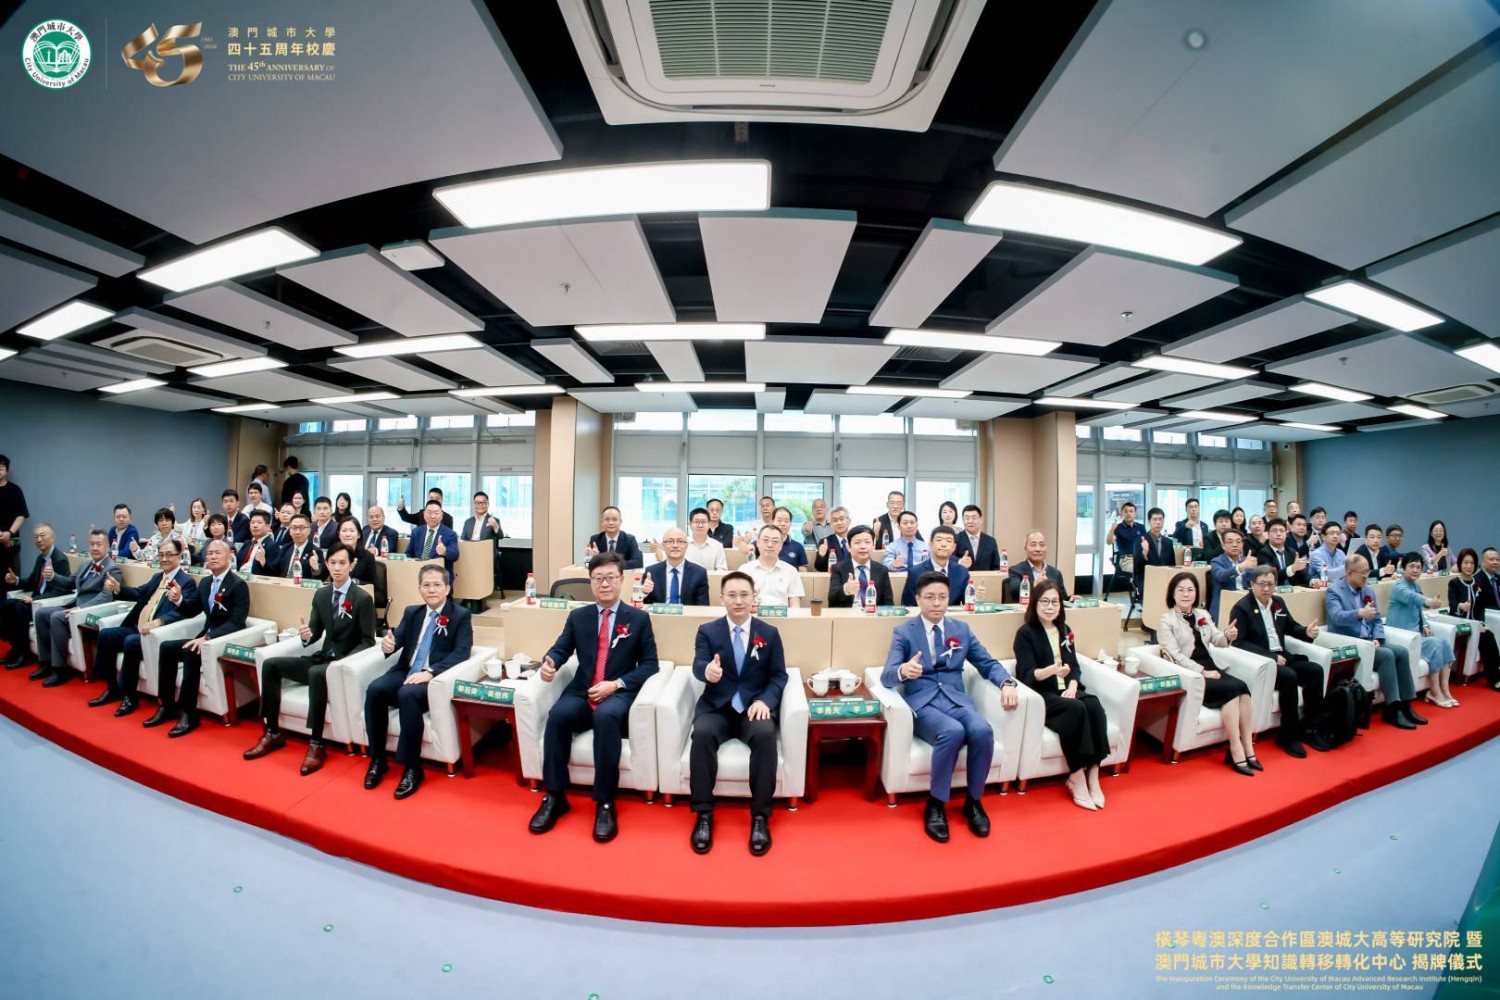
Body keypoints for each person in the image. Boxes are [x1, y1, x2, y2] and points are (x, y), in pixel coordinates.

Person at [529, 552, 658, 841]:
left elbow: (650, 664)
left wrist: (617, 684)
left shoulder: (638, 618)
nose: (605, 584)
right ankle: (555, 796)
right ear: (590, 582)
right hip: (582, 690)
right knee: (558, 715)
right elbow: (562, 648)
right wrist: (550, 662)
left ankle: (605, 802)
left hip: (617, 693)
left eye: (611, 577)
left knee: (605, 717)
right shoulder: (579, 617)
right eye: (598, 578)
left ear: (622, 580)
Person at [884, 571, 1019, 841]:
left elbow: (987, 663)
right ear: (918, 599)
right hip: (923, 704)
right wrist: (903, 671)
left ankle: (974, 801)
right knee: (952, 731)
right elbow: (887, 676)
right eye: (930, 597)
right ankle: (936, 804)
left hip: (956, 700)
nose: (937, 603)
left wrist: (1007, 683)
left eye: (942, 597)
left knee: (982, 730)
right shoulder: (904, 632)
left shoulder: (961, 630)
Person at [246, 543, 377, 775]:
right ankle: (272, 731)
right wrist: (307, 636)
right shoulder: (322, 594)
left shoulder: (362, 598)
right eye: (333, 563)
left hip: (342, 663)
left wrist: (344, 663)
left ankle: (316, 743)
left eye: (342, 563)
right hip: (321, 658)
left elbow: (368, 640)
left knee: (317, 673)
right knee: (271, 665)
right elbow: (315, 631)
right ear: (327, 564)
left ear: (352, 565)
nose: (337, 568)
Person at [687, 571, 788, 856]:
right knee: (702, 735)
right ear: (722, 598)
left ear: (754, 597)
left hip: (752, 709)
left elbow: (779, 676)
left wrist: (766, 701)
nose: (739, 601)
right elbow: (699, 665)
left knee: (766, 736)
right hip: (717, 707)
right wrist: (707, 671)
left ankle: (760, 817)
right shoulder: (708, 631)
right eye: (732, 595)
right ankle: (703, 814)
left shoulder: (769, 633)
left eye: (744, 594)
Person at [363, 564, 473, 799]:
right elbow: (398, 640)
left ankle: (412, 768)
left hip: (432, 677)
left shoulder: (460, 615)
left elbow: (462, 651)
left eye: (437, 585)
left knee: (407, 694)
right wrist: (388, 645)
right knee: (375, 690)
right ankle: (378, 759)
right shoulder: (412, 612)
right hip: (406, 671)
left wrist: (431, 672)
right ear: (419, 589)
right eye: (426, 585)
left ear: (447, 588)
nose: (431, 590)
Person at [1013, 579, 1109, 811]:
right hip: (1042, 693)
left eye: (1055, 602)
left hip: (1066, 688)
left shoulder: (1065, 630)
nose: (1050, 607)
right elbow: (1026, 675)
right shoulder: (1025, 634)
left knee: (1094, 705)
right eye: (1044, 602)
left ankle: (1093, 773)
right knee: (1076, 709)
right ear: (1035, 604)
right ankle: (1076, 775)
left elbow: (1074, 666)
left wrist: (1073, 685)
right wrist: (1051, 670)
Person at [145, 539, 249, 738]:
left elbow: (237, 622)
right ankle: (167, 705)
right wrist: (179, 600)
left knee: (190, 651)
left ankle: (189, 713)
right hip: (206, 636)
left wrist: (208, 637)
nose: (213, 557)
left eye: (217, 553)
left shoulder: (238, 585)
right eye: (209, 553)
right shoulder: (206, 582)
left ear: (229, 557)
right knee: (167, 648)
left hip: (224, 638)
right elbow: (193, 610)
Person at [1157, 571, 1257, 775]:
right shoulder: (1166, 620)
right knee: (1231, 690)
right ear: (1172, 594)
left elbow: (1217, 640)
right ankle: (1235, 748)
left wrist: (1228, 635)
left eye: (1190, 590)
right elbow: (1175, 655)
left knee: (1243, 688)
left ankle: (1248, 747)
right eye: (1181, 590)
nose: (1186, 594)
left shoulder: (1203, 615)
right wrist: (1203, 672)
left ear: (1196, 593)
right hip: (1192, 672)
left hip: (1211, 666)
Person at [88, 539, 200, 716]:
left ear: (179, 557)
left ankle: (130, 697)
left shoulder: (186, 582)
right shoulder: (158, 577)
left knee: (131, 642)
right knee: (106, 635)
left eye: (169, 555)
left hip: (155, 632)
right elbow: (139, 592)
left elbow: (187, 611)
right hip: (138, 626)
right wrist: (118, 588)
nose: (164, 559)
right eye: (161, 555)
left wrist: (160, 621)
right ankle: (112, 687)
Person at [1231, 566, 1329, 758]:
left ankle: (1311, 728)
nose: (1266, 589)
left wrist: (1306, 632)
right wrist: (1272, 657)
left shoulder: (1278, 603)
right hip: (1262, 662)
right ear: (1252, 584)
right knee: (1289, 677)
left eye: (1270, 584)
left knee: (1315, 671)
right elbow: (1239, 643)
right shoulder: (1242, 608)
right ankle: (1288, 736)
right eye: (1262, 584)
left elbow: (1291, 627)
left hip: (1283, 657)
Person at [1325, 554, 1423, 730]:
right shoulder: (1334, 591)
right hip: (1352, 643)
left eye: (1367, 571)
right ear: (1349, 573)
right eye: (1362, 572)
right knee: (1387, 655)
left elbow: (1377, 620)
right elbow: (1336, 617)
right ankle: (1392, 708)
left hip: (1371, 640)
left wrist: (1378, 638)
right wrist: (1359, 613)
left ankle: (1406, 704)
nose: (1366, 576)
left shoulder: (1368, 591)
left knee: (1401, 652)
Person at [33, 529, 122, 687]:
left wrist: (80, 608)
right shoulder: (85, 564)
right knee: (41, 613)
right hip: (74, 607)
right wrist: (53, 576)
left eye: (99, 544)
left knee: (57, 617)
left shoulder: (112, 569)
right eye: (92, 544)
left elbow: (106, 596)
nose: (95, 548)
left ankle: (60, 669)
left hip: (89, 611)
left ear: (107, 546)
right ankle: (46, 663)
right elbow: (69, 582)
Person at [1388, 553, 1458, 709]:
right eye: (1411, 566)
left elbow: (1418, 609)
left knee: (1444, 643)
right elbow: (1413, 598)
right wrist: (1429, 601)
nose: (1415, 570)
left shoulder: (1416, 586)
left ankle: (1445, 690)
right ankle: (1434, 691)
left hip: (1416, 636)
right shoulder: (1398, 587)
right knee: (1436, 644)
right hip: (1402, 638)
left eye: (1418, 567)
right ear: (1403, 568)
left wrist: (1425, 624)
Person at [1, 524, 73, 669]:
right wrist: (16, 580)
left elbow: (62, 590)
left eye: (42, 536)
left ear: (52, 537)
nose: (39, 540)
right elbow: (31, 581)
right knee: (6, 604)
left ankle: (24, 654)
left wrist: (35, 599)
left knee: (19, 609)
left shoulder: (60, 559)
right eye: (36, 537)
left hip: (45, 604)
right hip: (34, 600)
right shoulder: (41, 558)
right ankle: (15, 648)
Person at [1457, 547, 1500, 688]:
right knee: (1488, 637)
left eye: (1497, 559)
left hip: (1489, 619)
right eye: (1491, 559)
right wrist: (1479, 623)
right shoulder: (1476, 581)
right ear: (1483, 562)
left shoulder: (1497, 579)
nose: (1495, 562)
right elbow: (1476, 607)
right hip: (1475, 621)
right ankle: (1495, 680)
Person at [901, 526, 973, 607]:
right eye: (939, 540)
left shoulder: (962, 572)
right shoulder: (915, 572)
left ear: (954, 547)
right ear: (930, 544)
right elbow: (908, 605)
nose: (943, 544)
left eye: (948, 541)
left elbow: (968, 603)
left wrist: (977, 598)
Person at [640, 528, 710, 606]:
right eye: (670, 541)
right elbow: (640, 604)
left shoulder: (699, 573)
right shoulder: (651, 572)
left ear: (686, 545)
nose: (675, 545)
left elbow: (703, 606)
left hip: (687, 613)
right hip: (659, 613)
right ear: (663, 545)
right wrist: (644, 592)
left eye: (680, 541)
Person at [828, 525, 893, 608]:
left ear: (873, 546)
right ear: (849, 547)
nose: (863, 547)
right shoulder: (838, 568)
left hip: (873, 615)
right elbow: (831, 600)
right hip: (847, 614)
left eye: (867, 542)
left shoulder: (881, 570)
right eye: (857, 542)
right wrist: (846, 589)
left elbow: (888, 602)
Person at [743, 525, 804, 608]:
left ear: (781, 546)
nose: (770, 545)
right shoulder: (745, 570)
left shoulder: (791, 571)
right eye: (765, 540)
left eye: (775, 541)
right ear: (757, 543)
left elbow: (795, 606)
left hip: (783, 616)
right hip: (753, 615)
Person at [1005, 530, 1069, 603]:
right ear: (1025, 548)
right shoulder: (1016, 570)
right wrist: (1034, 585)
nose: (1038, 549)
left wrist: (1071, 599)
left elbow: (1063, 598)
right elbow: (1014, 591)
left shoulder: (1056, 573)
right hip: (1026, 609)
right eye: (1033, 545)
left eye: (1042, 545)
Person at [1208, 529, 1257, 619]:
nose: (1235, 545)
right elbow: (1221, 576)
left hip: (1245, 602)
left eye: (1238, 542)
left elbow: (1252, 583)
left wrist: (1255, 570)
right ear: (1223, 546)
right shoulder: (1216, 561)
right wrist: (1240, 567)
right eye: (1230, 542)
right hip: (1225, 603)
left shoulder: (1246, 560)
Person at [0, 455, 29, 602]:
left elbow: (22, 515)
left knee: (13, 579)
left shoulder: (15, 490)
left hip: (12, 543)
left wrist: (9, 534)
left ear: (6, 470)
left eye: (1, 467)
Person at [409, 501, 460, 581]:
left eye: (436, 513)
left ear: (441, 515)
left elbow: (455, 555)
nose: (432, 516)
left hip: (440, 578)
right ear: (424, 514)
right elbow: (408, 554)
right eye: (429, 512)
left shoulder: (450, 533)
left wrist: (445, 551)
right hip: (419, 575)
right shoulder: (416, 532)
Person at [325, 518, 377, 586]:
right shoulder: (333, 554)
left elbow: (374, 586)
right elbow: (322, 579)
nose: (348, 534)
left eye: (352, 531)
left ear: (358, 534)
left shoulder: (368, 557)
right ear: (339, 534)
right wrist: (316, 568)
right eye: (344, 531)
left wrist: (356, 582)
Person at [1260, 518, 1310, 587]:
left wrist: (1312, 581)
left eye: (1281, 531)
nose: (1278, 534)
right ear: (1268, 534)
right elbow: (1271, 576)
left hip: (1293, 591)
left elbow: (1303, 574)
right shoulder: (1263, 553)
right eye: (1275, 531)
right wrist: (1292, 569)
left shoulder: (1292, 552)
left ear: (1286, 534)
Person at [955, 504, 1000, 571]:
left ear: (981, 520)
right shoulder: (956, 539)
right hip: (962, 576)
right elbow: (948, 559)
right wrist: (959, 561)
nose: (970, 521)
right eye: (967, 518)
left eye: (973, 518)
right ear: (963, 520)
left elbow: (996, 566)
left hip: (985, 577)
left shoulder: (991, 541)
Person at [236, 511, 281, 575]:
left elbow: (275, 573)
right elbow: (236, 564)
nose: (255, 525)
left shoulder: (272, 546)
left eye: (259, 522)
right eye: (252, 522)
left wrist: (263, 562)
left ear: (268, 527)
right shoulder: (247, 543)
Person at [684, 508, 729, 572]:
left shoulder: (717, 546)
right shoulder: (682, 543)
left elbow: (722, 569)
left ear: (709, 524)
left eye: (703, 522)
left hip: (710, 578)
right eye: (696, 522)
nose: (700, 525)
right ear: (690, 524)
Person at [280, 514, 321, 580]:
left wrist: (315, 569)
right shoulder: (285, 549)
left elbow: (321, 577)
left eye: (301, 528)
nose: (297, 532)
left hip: (302, 585)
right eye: (294, 528)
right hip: (284, 583)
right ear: (290, 531)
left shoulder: (315, 551)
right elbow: (275, 571)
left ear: (309, 530)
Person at [1106, 501, 1147, 568]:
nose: (1128, 513)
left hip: (1140, 558)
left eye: (1131, 511)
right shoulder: (1118, 528)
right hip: (1126, 559)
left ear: (1135, 513)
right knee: (1140, 570)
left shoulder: (1141, 527)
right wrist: (1112, 530)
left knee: (1155, 569)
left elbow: (1146, 543)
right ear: (1122, 513)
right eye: (1126, 511)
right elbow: (1108, 542)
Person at [812, 506, 852, 572]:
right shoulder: (825, 542)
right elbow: (819, 568)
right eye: (835, 520)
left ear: (849, 521)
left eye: (841, 519)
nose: (839, 523)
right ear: (830, 524)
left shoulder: (856, 540)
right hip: (834, 576)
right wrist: (821, 556)